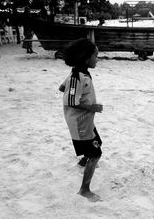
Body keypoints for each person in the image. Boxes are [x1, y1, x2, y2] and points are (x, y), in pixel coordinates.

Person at [58, 38, 103, 201]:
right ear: (86, 58)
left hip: (85, 121)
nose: (98, 59)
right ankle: (84, 190)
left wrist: (70, 88)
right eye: (96, 56)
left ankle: (84, 162)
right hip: (80, 122)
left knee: (97, 143)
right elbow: (71, 101)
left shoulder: (78, 73)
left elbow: (62, 87)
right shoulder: (77, 76)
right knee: (96, 153)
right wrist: (93, 107)